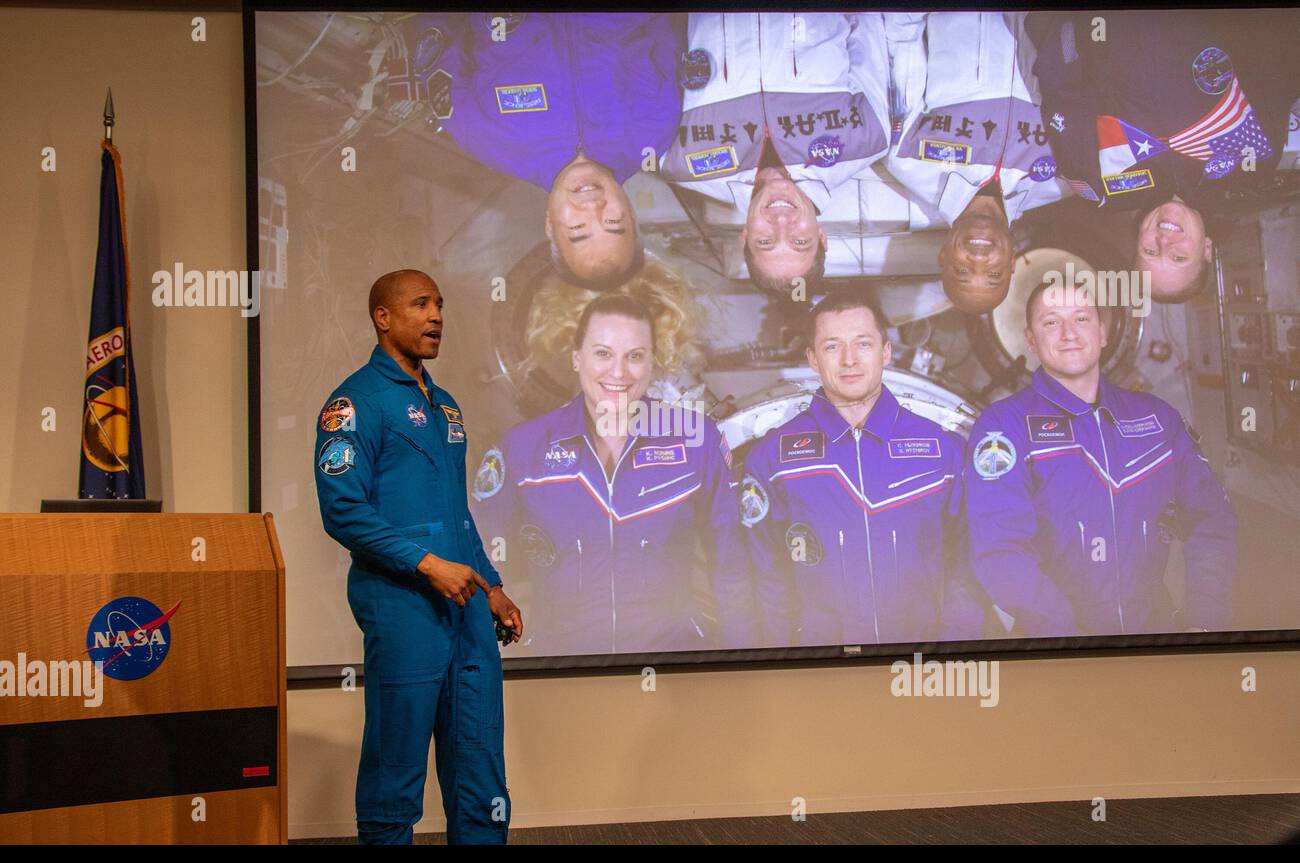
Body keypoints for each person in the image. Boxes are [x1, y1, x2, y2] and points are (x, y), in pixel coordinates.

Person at [313, 269, 523, 845]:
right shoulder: (354, 403)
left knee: (481, 773)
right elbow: (343, 511)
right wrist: (427, 565)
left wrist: (492, 585)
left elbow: (456, 511)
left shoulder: (447, 406)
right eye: (421, 304)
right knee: (395, 772)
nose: (437, 317)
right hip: (404, 608)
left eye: (440, 305)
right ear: (383, 317)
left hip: (466, 608)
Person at [472, 293, 751, 654]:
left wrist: (740, 660)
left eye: (635, 356)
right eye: (603, 353)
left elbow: (731, 565)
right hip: (558, 667)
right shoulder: (523, 447)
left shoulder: (697, 439)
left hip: (676, 663)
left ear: (653, 363)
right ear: (576, 358)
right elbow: (481, 561)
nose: (618, 372)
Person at [963, 281, 1238, 637]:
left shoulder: (1158, 419)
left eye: (1081, 318)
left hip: (1154, 639)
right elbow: (999, 553)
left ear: (1103, 332)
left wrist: (1205, 618)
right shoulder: (1003, 428)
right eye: (1051, 322)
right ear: (1031, 340)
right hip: (1056, 652)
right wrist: (1072, 639)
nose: (1069, 333)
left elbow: (1213, 519)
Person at [742, 291, 982, 646]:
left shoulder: (944, 451)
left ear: (886, 352)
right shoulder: (772, 460)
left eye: (863, 344)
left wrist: (954, 645)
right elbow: (764, 577)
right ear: (812, 358)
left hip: (922, 664)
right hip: (822, 671)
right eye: (832, 346)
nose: (849, 360)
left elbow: (971, 561)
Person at [1028, 9, 1300, 301]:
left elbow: (1061, 85)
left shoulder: (1099, 185)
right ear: (1207, 249)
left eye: (1150, 251)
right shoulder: (1254, 158)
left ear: (1136, 242)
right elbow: (1273, 52)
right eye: (1179, 257)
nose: (1164, 240)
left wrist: (1076, 24)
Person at [399, 12, 686, 289]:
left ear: (550, 224)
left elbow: (436, 33)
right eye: (613, 222)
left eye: (578, 229)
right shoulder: (655, 125)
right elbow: (664, 23)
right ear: (631, 214)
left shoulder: (484, 136)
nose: (592, 208)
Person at [658, 12, 891, 298]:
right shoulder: (868, 139)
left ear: (745, 236)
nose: (781, 223)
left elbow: (658, 48)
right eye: (801, 241)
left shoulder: (679, 164)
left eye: (765, 241)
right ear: (821, 237)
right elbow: (868, 24)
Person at [882, 12, 1073, 316]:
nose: (978, 259)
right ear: (1012, 261)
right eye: (994, 274)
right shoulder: (1065, 180)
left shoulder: (906, 158)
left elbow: (902, 38)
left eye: (962, 270)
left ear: (943, 256)